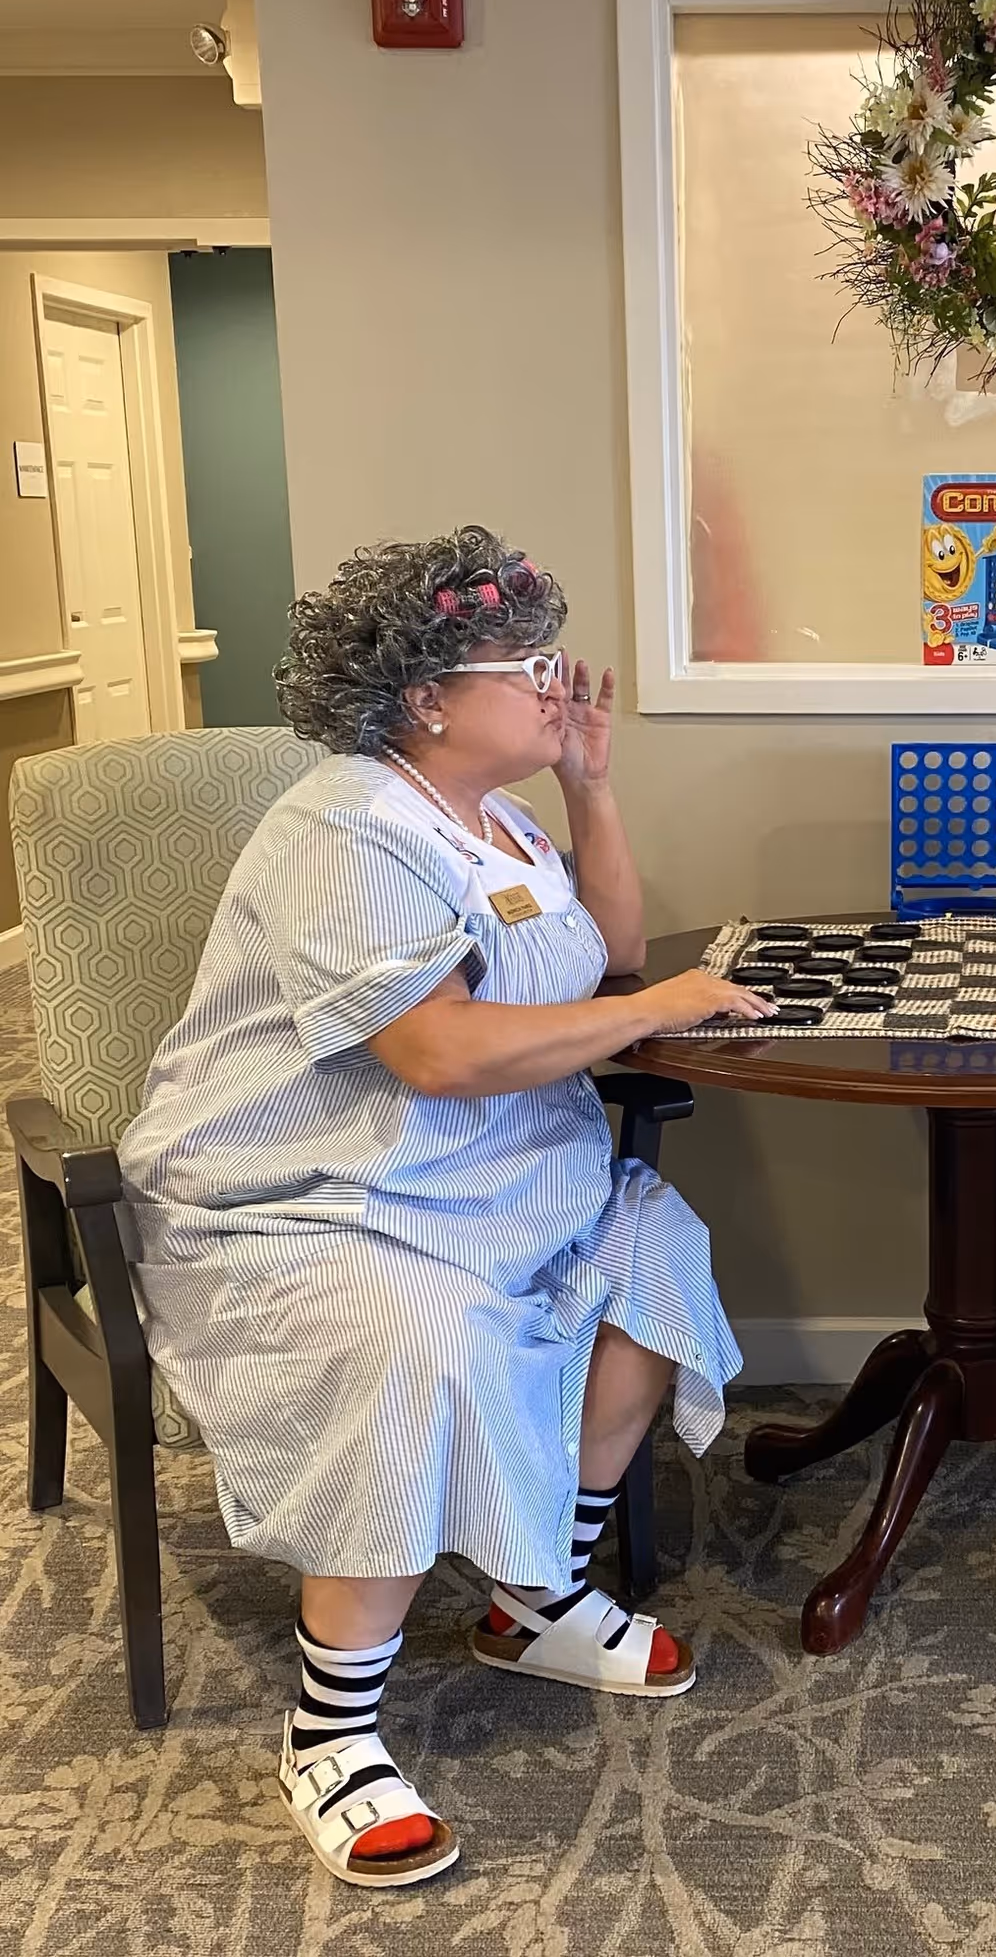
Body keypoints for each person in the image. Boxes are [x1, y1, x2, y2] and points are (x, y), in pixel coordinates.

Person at [118, 528, 772, 1888]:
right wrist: (651, 1013)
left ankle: (541, 1597)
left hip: (492, 1170)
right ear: (427, 695)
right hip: (308, 1192)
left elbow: (614, 952)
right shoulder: (349, 826)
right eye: (528, 666)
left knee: (653, 1252)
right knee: (423, 1339)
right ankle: (330, 1727)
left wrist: (591, 788)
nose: (559, 684)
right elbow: (434, 1051)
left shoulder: (495, 813)